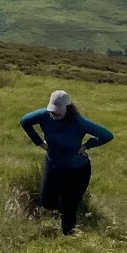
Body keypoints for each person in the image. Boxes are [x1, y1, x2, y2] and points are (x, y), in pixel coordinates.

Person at [20, 89, 113, 235]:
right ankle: (65, 209)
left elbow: (107, 135)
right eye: (52, 111)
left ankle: (69, 236)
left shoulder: (78, 122)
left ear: (67, 109)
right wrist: (39, 143)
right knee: (47, 201)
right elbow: (25, 121)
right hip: (53, 165)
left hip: (77, 170)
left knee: (70, 207)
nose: (54, 114)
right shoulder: (45, 115)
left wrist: (86, 146)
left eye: (58, 112)